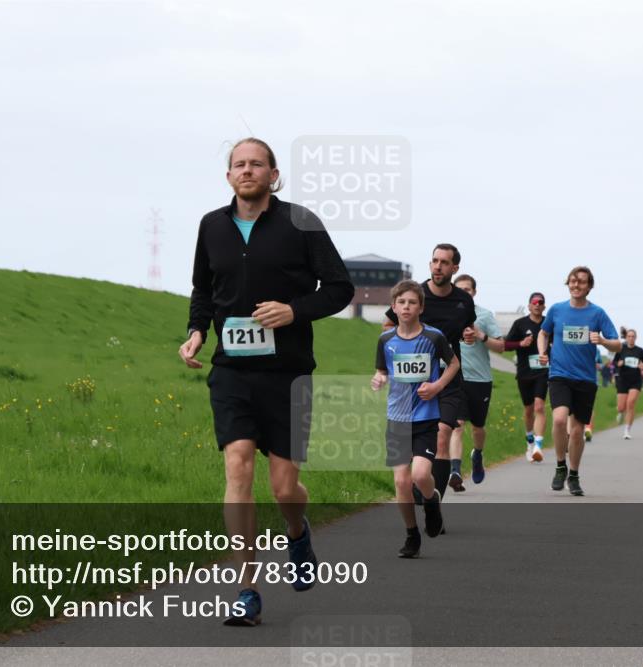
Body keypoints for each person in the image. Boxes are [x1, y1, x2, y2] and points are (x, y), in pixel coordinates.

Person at [180, 137, 354, 626]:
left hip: (288, 373)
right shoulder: (211, 226)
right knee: (237, 470)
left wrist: (294, 310)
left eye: (257, 164)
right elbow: (203, 288)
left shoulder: (301, 223)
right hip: (232, 369)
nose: (247, 170)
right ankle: (245, 589)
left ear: (274, 174)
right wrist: (196, 331)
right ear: (229, 175)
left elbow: (340, 288)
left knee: (284, 488)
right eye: (239, 164)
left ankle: (297, 534)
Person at [383, 244, 476, 505]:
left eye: (444, 262)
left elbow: (468, 328)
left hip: (448, 378)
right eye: (434, 260)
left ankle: (433, 503)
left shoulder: (463, 300)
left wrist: (468, 335)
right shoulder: (416, 295)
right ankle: (421, 482)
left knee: (443, 434)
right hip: (413, 383)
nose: (438, 266)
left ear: (454, 268)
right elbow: (388, 325)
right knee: (418, 442)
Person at [372, 280, 459, 557]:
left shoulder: (434, 337)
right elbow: (382, 370)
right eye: (401, 302)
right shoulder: (386, 340)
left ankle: (432, 502)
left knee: (421, 475)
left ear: (420, 307)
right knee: (400, 482)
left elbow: (454, 364)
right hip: (396, 418)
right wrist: (379, 378)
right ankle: (412, 535)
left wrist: (437, 386)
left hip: (425, 418)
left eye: (412, 302)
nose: (406, 307)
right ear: (394, 307)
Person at [537, 266, 621, 497]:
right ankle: (560, 465)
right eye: (572, 281)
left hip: (585, 378)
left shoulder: (597, 314)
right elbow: (543, 333)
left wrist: (602, 341)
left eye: (581, 282)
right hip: (559, 375)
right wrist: (543, 350)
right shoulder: (556, 310)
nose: (576, 285)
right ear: (568, 284)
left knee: (577, 432)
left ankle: (573, 474)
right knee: (559, 419)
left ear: (589, 286)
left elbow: (618, 344)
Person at [448, 274, 506, 487]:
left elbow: (501, 347)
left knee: (478, 427)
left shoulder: (484, 315)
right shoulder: (448, 314)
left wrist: (481, 336)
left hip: (480, 380)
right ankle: (455, 471)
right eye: (460, 289)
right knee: (457, 425)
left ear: (474, 292)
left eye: (468, 290)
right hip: (454, 377)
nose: (464, 293)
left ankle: (478, 454)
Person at [504, 292, 550, 465]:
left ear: (544, 306)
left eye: (541, 302)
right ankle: (529, 441)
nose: (537, 305)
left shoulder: (548, 324)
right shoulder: (520, 324)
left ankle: (538, 446)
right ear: (529, 305)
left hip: (543, 371)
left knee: (539, 406)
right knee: (529, 408)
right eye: (534, 302)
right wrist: (520, 343)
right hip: (524, 372)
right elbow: (506, 345)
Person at [613, 329, 643, 439]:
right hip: (623, 380)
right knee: (621, 407)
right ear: (626, 337)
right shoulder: (621, 349)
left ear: (635, 338)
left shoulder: (640, 351)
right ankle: (620, 412)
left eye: (633, 336)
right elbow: (615, 362)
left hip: (635, 380)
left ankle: (627, 430)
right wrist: (618, 363)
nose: (631, 338)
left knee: (631, 403)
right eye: (629, 336)